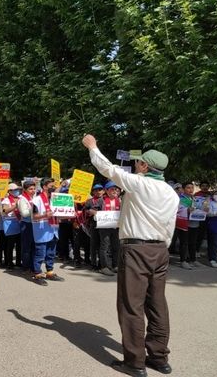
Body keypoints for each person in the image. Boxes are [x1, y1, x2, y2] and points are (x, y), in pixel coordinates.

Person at [83, 134, 179, 377]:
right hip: (160, 250)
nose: (136, 165)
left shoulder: (140, 183)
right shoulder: (171, 193)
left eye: (139, 162)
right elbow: (170, 226)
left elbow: (107, 168)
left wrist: (93, 146)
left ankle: (135, 363)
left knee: (131, 305)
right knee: (158, 305)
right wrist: (162, 247)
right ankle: (159, 358)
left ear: (145, 166)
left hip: (137, 249)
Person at [96, 181, 122, 276]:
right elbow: (92, 209)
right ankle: (104, 267)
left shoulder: (119, 200)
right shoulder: (101, 200)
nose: (114, 191)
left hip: (115, 227)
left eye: (115, 189)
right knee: (104, 247)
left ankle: (115, 266)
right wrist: (94, 213)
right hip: (104, 227)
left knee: (116, 247)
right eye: (111, 189)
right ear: (106, 191)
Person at [175, 182, 200, 269]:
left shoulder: (195, 199)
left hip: (194, 223)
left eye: (192, 188)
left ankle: (193, 259)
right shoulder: (179, 198)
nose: (191, 190)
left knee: (193, 242)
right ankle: (183, 261)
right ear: (183, 189)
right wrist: (187, 210)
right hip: (184, 224)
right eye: (188, 188)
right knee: (184, 243)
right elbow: (178, 209)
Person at [1, 183, 22, 269]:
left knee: (19, 245)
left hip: (19, 223)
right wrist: (15, 206)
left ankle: (18, 262)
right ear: (10, 191)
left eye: (17, 190)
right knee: (10, 244)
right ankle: (9, 262)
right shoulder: (6, 200)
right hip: (10, 223)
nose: (17, 191)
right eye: (15, 190)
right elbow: (4, 210)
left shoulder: (20, 198)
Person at [84, 184, 105, 270]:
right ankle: (93, 264)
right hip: (93, 224)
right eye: (96, 190)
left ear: (103, 191)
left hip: (104, 224)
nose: (98, 192)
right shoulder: (89, 201)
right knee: (93, 244)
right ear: (93, 192)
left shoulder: (106, 200)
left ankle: (101, 263)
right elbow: (84, 210)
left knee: (102, 245)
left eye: (100, 190)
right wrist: (89, 211)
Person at [18, 180, 36, 272]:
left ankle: (33, 266)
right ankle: (26, 266)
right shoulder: (22, 199)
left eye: (34, 189)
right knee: (26, 247)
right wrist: (33, 209)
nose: (33, 191)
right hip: (26, 224)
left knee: (34, 246)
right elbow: (24, 213)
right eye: (30, 189)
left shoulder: (35, 198)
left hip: (35, 224)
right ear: (25, 190)